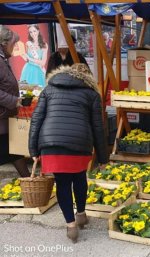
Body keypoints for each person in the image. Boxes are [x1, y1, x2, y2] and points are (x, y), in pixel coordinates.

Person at [29, 63, 109, 243]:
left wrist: (33, 149)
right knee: (80, 178)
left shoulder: (49, 89)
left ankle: (71, 226)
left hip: (52, 143)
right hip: (79, 143)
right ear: (88, 78)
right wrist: (103, 158)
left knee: (62, 184)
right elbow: (98, 128)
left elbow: (36, 120)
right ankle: (81, 214)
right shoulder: (92, 94)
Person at [0, 27, 30, 178]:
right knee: (12, 149)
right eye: (13, 43)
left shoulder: (3, 59)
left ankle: (29, 180)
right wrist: (14, 101)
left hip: (6, 117)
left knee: (14, 149)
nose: (15, 46)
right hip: (2, 118)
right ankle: (28, 179)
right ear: (3, 43)